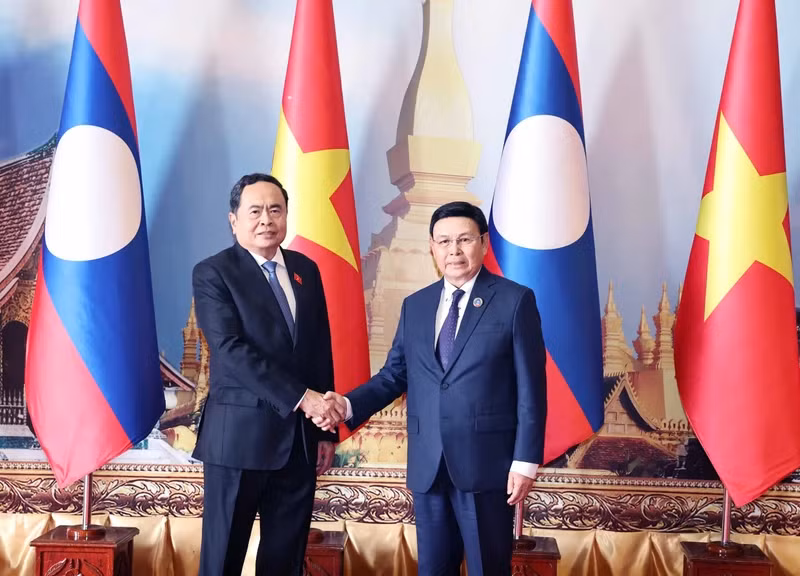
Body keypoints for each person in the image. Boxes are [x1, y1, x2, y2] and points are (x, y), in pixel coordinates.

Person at [317, 201, 547, 576]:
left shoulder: (514, 301)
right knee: (433, 569)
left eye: (464, 240)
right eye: (444, 242)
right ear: (432, 248)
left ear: (484, 244)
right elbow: (394, 376)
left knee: (488, 569)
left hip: (488, 467)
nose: (453, 251)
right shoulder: (416, 306)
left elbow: (532, 389)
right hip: (428, 466)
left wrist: (525, 462)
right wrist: (345, 404)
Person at [192, 173, 344, 576]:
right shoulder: (214, 273)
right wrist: (303, 398)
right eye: (255, 210)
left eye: (275, 210)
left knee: (284, 561)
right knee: (223, 557)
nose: (266, 220)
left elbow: (318, 350)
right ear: (233, 219)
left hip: (297, 442)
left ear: (287, 216)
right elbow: (231, 350)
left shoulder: (305, 270)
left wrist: (325, 431)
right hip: (238, 441)